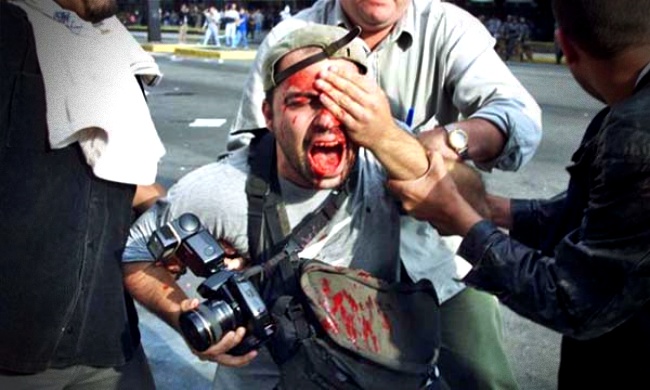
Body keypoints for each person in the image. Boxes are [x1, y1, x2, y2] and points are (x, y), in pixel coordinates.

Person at [227, 0, 544, 388]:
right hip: (321, 255)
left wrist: (445, 140)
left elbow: (520, 121)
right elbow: (247, 147)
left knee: (483, 375)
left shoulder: (446, 26)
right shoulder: (290, 36)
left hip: (432, 250)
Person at [121, 24, 457, 389]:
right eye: (303, 101)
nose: (328, 120)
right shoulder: (222, 188)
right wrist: (182, 317)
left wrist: (386, 135)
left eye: (345, 101)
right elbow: (133, 252)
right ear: (269, 114)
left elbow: (459, 201)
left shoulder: (385, 164)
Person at [388, 0, 650, 388]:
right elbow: (607, 221)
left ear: (567, 47)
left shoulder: (635, 132)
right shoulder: (630, 110)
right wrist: (495, 211)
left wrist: (462, 220)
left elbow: (572, 299)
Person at [0, 0, 166, 388]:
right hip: (14, 353)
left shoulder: (118, 54)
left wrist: (166, 213)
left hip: (108, 340)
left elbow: (105, 172)